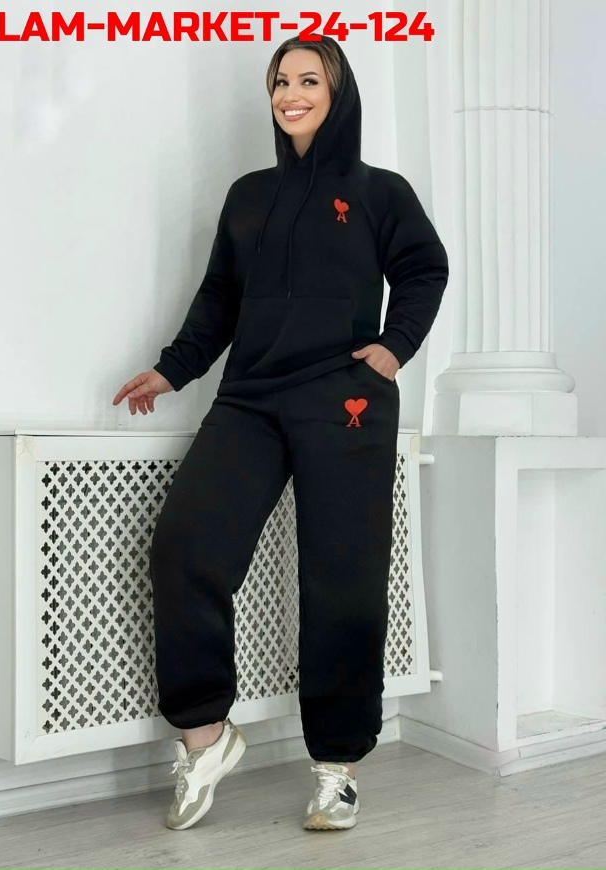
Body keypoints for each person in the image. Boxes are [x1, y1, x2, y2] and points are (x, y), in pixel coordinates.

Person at [113, 34, 449, 832]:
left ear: (338, 93)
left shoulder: (380, 191)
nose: (290, 94)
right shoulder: (249, 195)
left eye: (308, 81)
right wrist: (172, 370)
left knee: (343, 580)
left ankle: (336, 768)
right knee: (185, 547)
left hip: (346, 400)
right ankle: (205, 739)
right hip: (250, 400)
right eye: (279, 82)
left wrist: (393, 347)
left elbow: (425, 268)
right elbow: (220, 299)